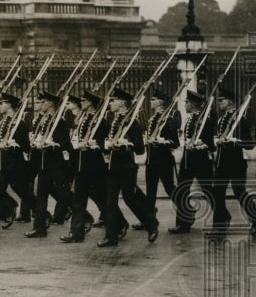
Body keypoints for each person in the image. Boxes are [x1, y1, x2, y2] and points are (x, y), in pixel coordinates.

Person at [98, 87, 158, 247]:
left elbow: (139, 148)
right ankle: (111, 237)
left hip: (127, 167)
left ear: (122, 103)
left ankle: (151, 223)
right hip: (112, 166)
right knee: (110, 201)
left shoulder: (132, 122)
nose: (110, 103)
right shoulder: (113, 120)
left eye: (113, 100)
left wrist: (126, 145)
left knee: (130, 199)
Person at [210, 86, 256, 235]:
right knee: (217, 193)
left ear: (230, 102)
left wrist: (234, 140)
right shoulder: (221, 119)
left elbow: (249, 144)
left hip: (236, 162)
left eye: (221, 100)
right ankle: (220, 225)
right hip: (221, 162)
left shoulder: (240, 119)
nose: (219, 102)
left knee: (239, 191)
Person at [0, 92, 31, 235]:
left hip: (14, 166)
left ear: (8, 105)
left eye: (1, 104)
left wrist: (15, 145)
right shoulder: (1, 122)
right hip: (2, 164)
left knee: (25, 194)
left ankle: (43, 215)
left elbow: (26, 146)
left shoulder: (18, 123)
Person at [61, 91, 107, 243]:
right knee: (79, 199)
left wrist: (91, 145)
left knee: (103, 197)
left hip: (94, 165)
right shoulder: (84, 118)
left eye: (84, 100)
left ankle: (119, 223)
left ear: (91, 103)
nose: (81, 102)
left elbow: (104, 142)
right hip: (81, 164)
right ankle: (76, 233)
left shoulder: (98, 120)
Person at [26, 90, 71, 238]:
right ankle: (39, 228)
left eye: (43, 102)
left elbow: (66, 143)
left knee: (64, 194)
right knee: (41, 196)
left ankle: (84, 216)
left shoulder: (60, 121)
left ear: (51, 103)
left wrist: (53, 144)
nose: (41, 104)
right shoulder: (43, 121)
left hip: (56, 164)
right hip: (43, 163)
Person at [169, 90, 215, 235]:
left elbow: (211, 145)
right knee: (181, 191)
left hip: (200, 161)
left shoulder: (204, 121)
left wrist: (201, 144)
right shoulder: (189, 119)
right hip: (188, 160)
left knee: (209, 192)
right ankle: (184, 223)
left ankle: (222, 220)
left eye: (187, 102)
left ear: (193, 104)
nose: (185, 104)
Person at [137, 88, 180, 228]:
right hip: (151, 160)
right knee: (150, 191)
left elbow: (175, 142)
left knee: (170, 189)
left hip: (164, 160)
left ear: (160, 102)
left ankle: (186, 211)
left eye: (153, 100)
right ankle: (148, 220)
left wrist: (161, 141)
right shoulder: (152, 118)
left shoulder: (168, 119)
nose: (151, 101)